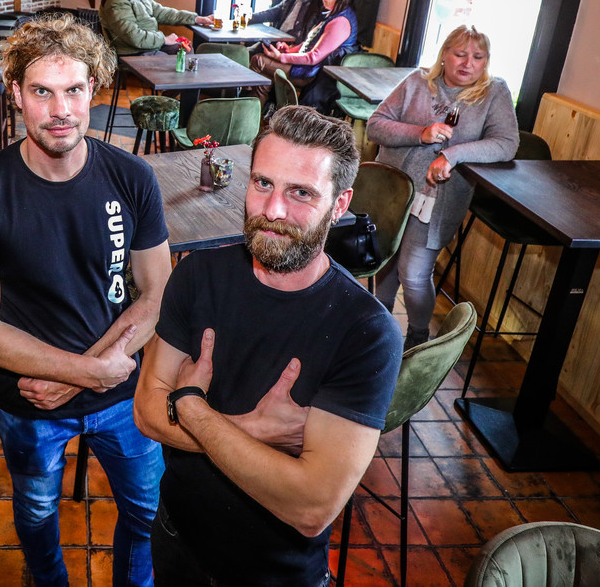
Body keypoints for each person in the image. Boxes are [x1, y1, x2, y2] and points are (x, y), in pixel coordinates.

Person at [0, 15, 174, 587]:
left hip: (124, 392)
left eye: (74, 89)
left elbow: (159, 291)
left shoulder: (133, 178)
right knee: (38, 514)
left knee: (147, 515)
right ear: (17, 94)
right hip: (29, 400)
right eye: (42, 92)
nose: (60, 110)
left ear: (93, 89)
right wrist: (89, 372)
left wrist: (85, 376)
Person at [134, 106, 401, 586]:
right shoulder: (196, 274)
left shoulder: (367, 331)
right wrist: (253, 429)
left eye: (300, 192)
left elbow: (310, 506)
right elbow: (147, 413)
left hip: (276, 571)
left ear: (340, 205)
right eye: (262, 184)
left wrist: (191, 406)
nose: (273, 210)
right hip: (177, 536)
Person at [366, 25, 519, 349]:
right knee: (386, 263)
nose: (468, 63)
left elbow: (506, 144)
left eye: (478, 57)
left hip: (440, 200)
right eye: (460, 54)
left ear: (486, 61)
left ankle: (418, 337)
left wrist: (452, 155)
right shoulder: (418, 82)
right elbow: (375, 126)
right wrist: (420, 133)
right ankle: (376, 330)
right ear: (444, 55)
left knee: (414, 273)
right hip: (394, 193)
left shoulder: (494, 92)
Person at [250, 0, 359, 112]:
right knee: (263, 74)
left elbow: (313, 57)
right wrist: (288, 51)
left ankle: (249, 110)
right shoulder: (333, 14)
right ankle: (258, 118)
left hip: (309, 75)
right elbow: (308, 43)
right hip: (306, 68)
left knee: (258, 60)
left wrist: (281, 57)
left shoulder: (340, 22)